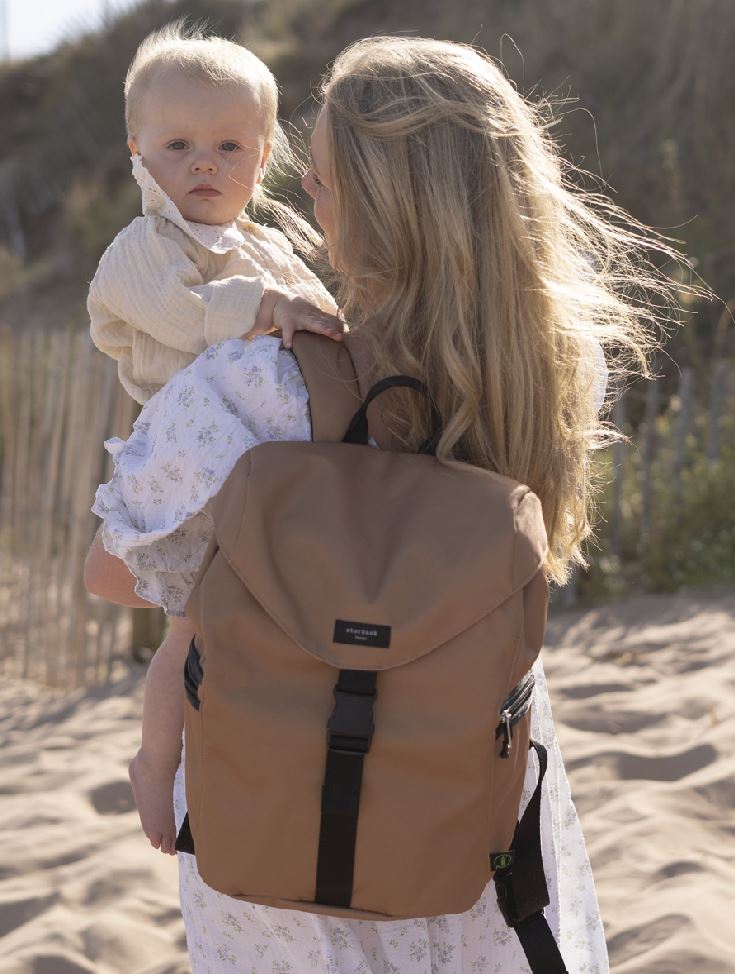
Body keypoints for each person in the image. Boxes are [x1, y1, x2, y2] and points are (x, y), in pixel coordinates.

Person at [86, 34, 682, 972]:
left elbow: (116, 573)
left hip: (278, 792)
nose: (307, 204)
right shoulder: (559, 371)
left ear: (374, 203)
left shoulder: (253, 388)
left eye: (319, 183)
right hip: (471, 782)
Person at [88, 23, 345, 857]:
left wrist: (324, 320)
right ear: (136, 151)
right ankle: (155, 762)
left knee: (264, 624)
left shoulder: (266, 247)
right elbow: (186, 320)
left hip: (257, 466)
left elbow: (316, 312)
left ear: (264, 155)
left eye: (230, 144)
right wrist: (267, 312)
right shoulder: (138, 251)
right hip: (185, 460)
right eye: (178, 143)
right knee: (193, 624)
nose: (205, 162)